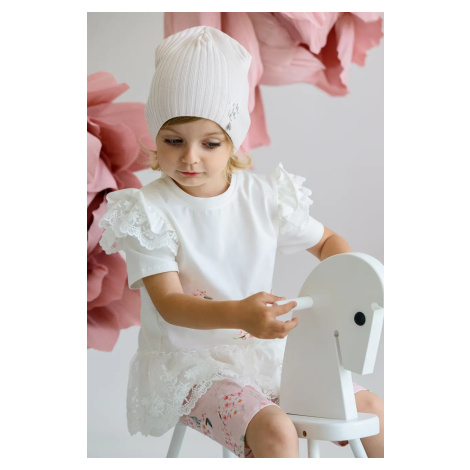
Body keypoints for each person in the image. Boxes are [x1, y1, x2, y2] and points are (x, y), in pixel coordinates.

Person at [99, 25, 384, 458]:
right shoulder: (149, 210)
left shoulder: (263, 197)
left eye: (210, 143)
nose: (190, 157)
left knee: (372, 410)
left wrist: (345, 295)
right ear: (155, 135)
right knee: (276, 429)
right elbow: (170, 304)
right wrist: (240, 315)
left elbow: (329, 243)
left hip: (265, 355)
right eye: (174, 141)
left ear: (232, 141)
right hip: (189, 364)